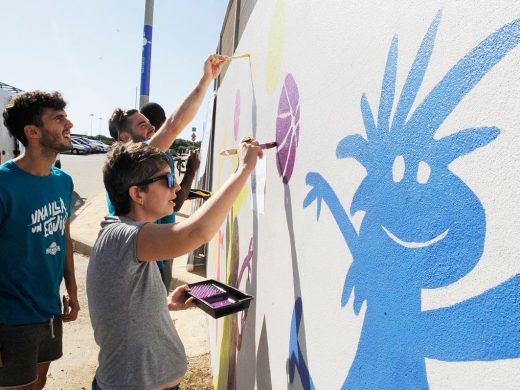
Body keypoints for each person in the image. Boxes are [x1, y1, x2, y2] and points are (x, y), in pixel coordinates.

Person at [87, 139, 261, 390]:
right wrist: (244, 168)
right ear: (137, 194)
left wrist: (164, 303)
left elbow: (123, 305)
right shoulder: (122, 235)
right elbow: (195, 233)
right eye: (168, 180)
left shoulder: (128, 236)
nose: (177, 187)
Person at [106, 54, 225, 291]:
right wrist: (205, 80)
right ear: (125, 139)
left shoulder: (151, 159)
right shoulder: (132, 164)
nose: (151, 127)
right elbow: (174, 124)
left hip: (158, 256)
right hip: (148, 256)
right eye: (143, 125)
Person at [0, 91, 80, 389]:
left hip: (48, 310)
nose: (69, 123)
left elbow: (63, 233)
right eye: (58, 118)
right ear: (32, 132)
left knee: (39, 382)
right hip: (10, 317)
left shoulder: (62, 180)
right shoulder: (3, 184)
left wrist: (71, 288)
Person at [139, 101, 201, 290]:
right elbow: (176, 203)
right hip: (159, 250)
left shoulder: (133, 156)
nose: (174, 186)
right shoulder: (160, 156)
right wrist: (191, 170)